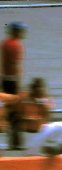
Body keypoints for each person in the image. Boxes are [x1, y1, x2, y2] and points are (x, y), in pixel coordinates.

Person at [1, 21, 27, 150]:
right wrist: (19, 86)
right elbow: (15, 66)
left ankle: (12, 139)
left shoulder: (4, 43)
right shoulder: (16, 45)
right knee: (17, 110)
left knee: (9, 109)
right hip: (13, 81)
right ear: (16, 31)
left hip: (4, 79)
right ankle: (16, 141)